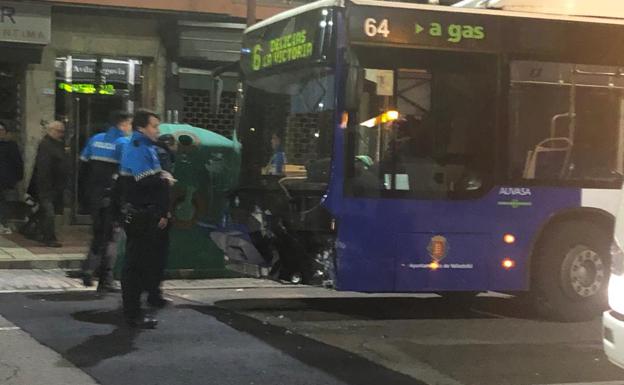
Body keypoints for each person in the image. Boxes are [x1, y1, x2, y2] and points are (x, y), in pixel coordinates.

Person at [119, 110, 175, 328]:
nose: (157, 130)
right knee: (135, 265)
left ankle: (136, 309)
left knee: (142, 262)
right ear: (142, 127)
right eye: (154, 126)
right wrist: (164, 179)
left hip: (146, 213)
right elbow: (143, 182)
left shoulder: (146, 147)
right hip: (140, 213)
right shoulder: (137, 148)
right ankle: (132, 313)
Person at [79, 111, 133, 292]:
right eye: (130, 125)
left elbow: (83, 166)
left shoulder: (95, 139)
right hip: (113, 196)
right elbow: (127, 173)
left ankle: (88, 269)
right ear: (123, 124)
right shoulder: (124, 143)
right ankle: (105, 279)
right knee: (111, 237)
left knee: (98, 233)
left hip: (94, 195)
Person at [28, 121, 68, 248]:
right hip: (46, 185)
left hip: (55, 185)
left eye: (62, 131)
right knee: (48, 212)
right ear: (51, 130)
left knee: (44, 211)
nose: (61, 134)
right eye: (59, 131)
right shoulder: (46, 145)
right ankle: (49, 238)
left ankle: (32, 230)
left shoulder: (58, 145)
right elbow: (43, 167)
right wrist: (45, 186)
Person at [0, 123, 24, 234]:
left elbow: (18, 163)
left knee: (5, 202)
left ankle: (3, 223)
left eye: (1, 130)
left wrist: (17, 178)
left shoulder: (11, 145)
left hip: (6, 181)